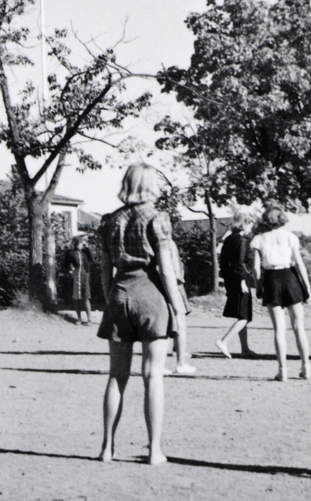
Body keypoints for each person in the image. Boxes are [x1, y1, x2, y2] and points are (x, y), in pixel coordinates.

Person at [95, 164, 186, 466]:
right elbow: (166, 268)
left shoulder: (109, 221)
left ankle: (107, 447)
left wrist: (112, 299)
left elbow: (105, 270)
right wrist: (176, 305)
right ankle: (154, 450)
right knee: (152, 376)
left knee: (117, 376)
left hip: (120, 293)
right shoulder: (157, 218)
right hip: (150, 294)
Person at [250, 203, 311, 382]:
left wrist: (259, 285)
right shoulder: (290, 237)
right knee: (298, 326)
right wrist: (307, 287)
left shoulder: (259, 239)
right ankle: (305, 366)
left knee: (279, 328)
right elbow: (299, 263)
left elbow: (255, 267)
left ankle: (282, 370)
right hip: (290, 276)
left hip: (271, 278)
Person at [215, 211, 256, 359]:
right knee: (244, 316)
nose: (251, 228)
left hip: (230, 280)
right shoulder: (241, 241)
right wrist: (242, 280)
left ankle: (245, 348)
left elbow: (225, 262)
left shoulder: (229, 239)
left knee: (241, 314)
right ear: (245, 224)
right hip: (239, 281)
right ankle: (224, 341)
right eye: (250, 224)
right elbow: (239, 263)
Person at [165, 238, 196, 376]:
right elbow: (175, 268)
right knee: (180, 324)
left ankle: (160, 363)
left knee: (163, 326)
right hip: (173, 286)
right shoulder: (167, 242)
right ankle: (180, 363)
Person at [63, 234, 95, 326]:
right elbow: (66, 265)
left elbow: (91, 260)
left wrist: (87, 247)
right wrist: (70, 270)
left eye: (82, 243)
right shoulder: (70, 253)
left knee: (86, 297)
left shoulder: (85, 252)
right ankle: (79, 318)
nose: (82, 245)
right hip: (76, 275)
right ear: (77, 243)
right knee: (77, 298)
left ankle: (89, 319)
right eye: (81, 243)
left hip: (85, 275)